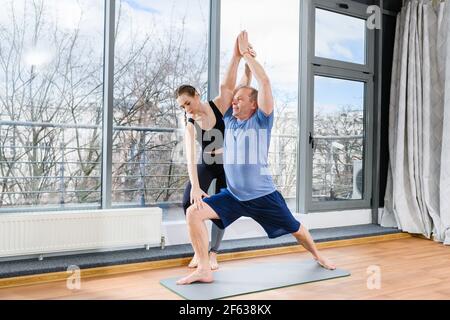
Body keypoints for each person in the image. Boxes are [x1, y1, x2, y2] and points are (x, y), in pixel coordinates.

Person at [177, 31, 336, 285]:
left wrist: (248, 56)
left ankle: (318, 255)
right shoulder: (229, 120)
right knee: (193, 213)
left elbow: (265, 83)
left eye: (240, 100)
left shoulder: (262, 120)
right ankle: (204, 267)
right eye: (234, 101)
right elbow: (226, 87)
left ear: (254, 104)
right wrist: (234, 56)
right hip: (235, 196)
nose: (234, 103)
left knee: (295, 228)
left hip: (263, 196)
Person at [176, 39, 255, 270]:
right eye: (182, 107)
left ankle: (213, 253)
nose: (187, 109)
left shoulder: (218, 106)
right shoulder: (191, 124)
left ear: (197, 95)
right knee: (187, 200)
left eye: (188, 103)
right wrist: (196, 186)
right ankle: (199, 252)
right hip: (207, 164)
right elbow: (191, 158)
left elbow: (237, 84)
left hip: (228, 166)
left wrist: (244, 61)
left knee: (221, 208)